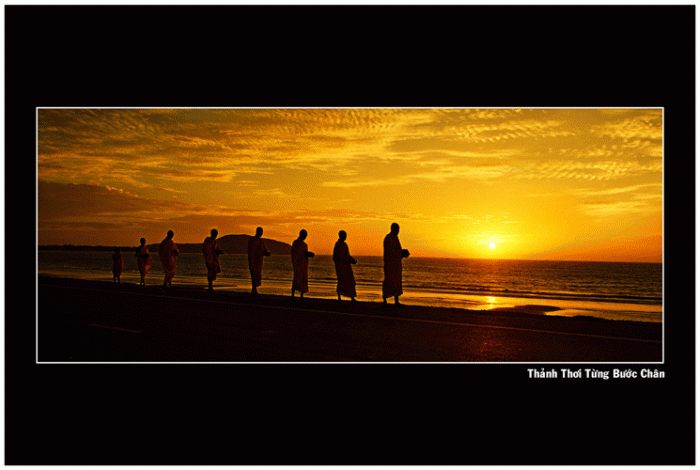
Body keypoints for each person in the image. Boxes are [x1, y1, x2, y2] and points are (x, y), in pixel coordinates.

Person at [382, 223, 409, 306]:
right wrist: (401, 253)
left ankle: (396, 301)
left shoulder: (395, 238)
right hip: (390, 265)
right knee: (389, 281)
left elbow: (396, 251)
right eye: (397, 229)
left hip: (396, 264)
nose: (398, 231)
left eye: (398, 229)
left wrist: (402, 253)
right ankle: (385, 299)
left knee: (396, 282)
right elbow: (390, 252)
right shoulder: (389, 238)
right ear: (393, 229)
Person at [333, 230, 357, 302]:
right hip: (341, 266)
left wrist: (352, 259)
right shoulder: (338, 244)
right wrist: (349, 260)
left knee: (350, 281)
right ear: (341, 236)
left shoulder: (344, 244)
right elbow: (338, 256)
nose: (345, 237)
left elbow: (347, 255)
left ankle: (352, 297)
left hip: (346, 266)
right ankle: (339, 297)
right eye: (344, 235)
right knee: (341, 281)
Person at [291, 229, 315, 298]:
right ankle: (293, 294)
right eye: (304, 235)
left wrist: (308, 254)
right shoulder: (296, 243)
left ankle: (301, 294)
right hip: (298, 264)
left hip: (303, 264)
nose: (305, 237)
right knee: (297, 278)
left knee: (302, 279)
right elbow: (297, 253)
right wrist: (307, 254)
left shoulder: (303, 244)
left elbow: (303, 253)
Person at [247, 227, 270, 296]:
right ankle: (254, 290)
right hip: (253, 260)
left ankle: (254, 289)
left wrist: (267, 253)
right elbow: (251, 251)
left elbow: (264, 250)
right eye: (260, 232)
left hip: (259, 261)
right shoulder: (252, 240)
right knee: (254, 275)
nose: (261, 233)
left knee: (257, 276)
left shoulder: (261, 241)